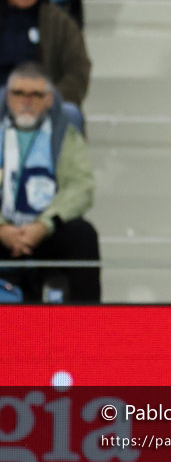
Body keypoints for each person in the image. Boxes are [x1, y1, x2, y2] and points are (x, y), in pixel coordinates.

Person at [0, 62, 99, 302]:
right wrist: (2, 228)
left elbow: (81, 186)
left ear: (49, 99)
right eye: (19, 93)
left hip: (46, 230)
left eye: (36, 95)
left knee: (83, 235)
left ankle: (88, 327)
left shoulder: (64, 133)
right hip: (2, 229)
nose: (26, 101)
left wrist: (44, 225)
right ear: (7, 97)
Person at [0, 0, 91, 122]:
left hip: (44, 105)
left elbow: (78, 73)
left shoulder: (62, 23)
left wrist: (48, 100)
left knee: (70, 114)